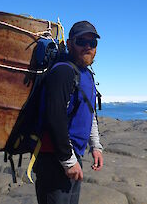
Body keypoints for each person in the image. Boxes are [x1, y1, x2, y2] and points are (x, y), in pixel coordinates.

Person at [34, 21, 104, 204]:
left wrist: (95, 146)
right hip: (54, 161)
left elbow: (89, 112)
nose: (88, 47)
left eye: (93, 43)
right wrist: (68, 160)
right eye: (82, 41)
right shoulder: (63, 71)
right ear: (70, 43)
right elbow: (54, 117)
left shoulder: (86, 74)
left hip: (72, 158)